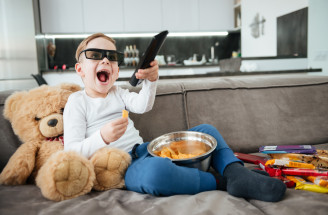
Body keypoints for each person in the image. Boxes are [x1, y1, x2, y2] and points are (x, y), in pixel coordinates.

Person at [64, 33, 286, 202]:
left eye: (111, 57)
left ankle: (236, 173)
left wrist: (151, 80)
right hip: (124, 169)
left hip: (143, 151)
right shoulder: (77, 102)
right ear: (80, 69)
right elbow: (71, 152)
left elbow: (143, 105)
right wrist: (102, 137)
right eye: (95, 55)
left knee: (206, 131)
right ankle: (221, 182)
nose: (105, 61)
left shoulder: (118, 92)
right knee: (155, 174)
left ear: (116, 68)